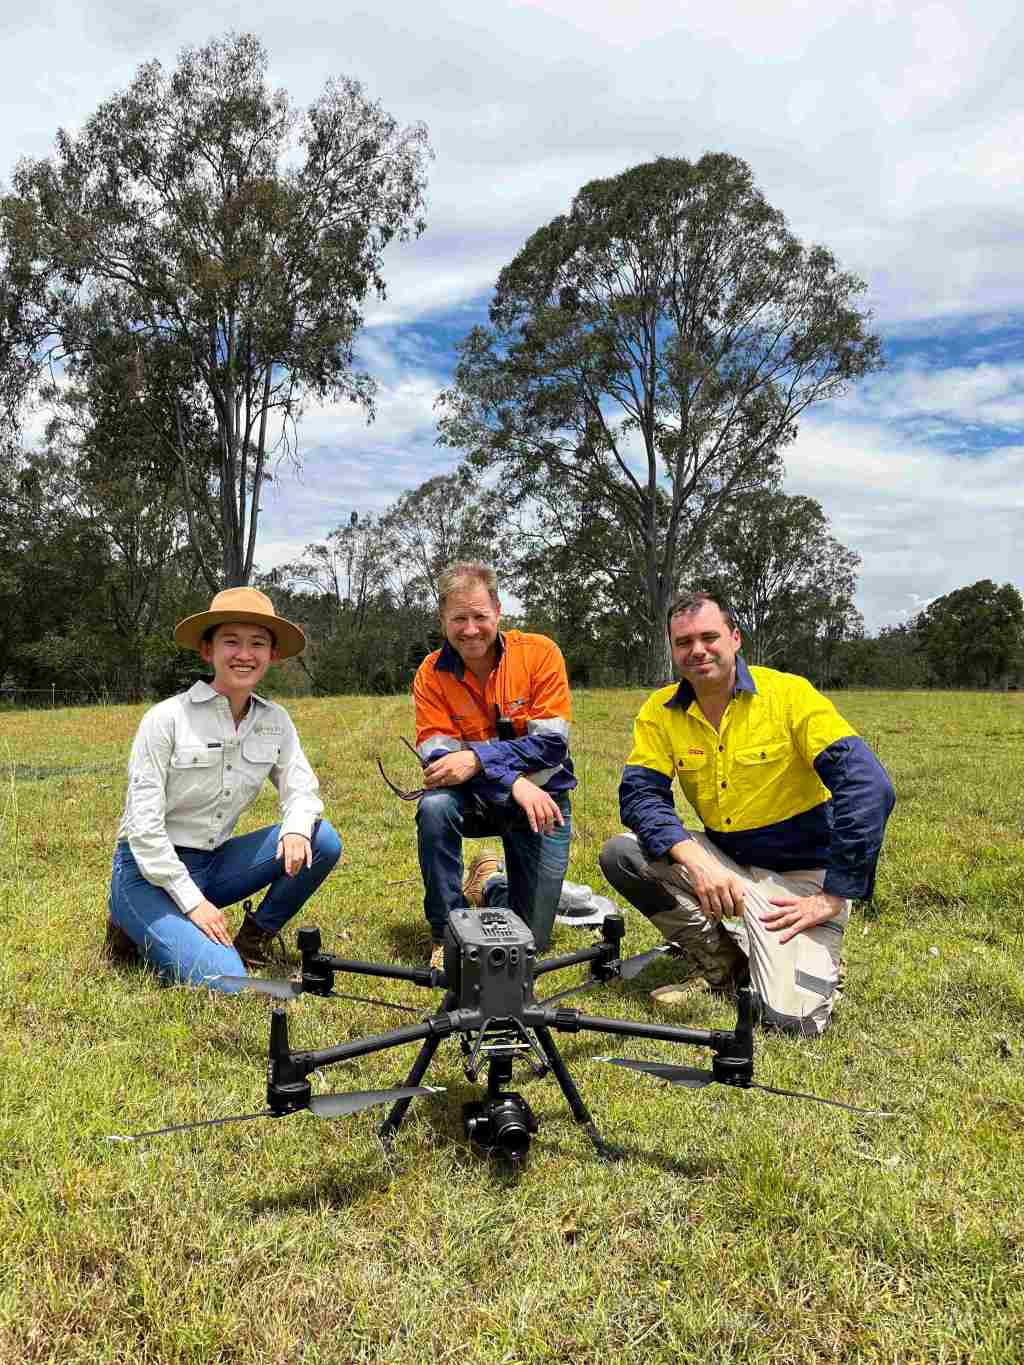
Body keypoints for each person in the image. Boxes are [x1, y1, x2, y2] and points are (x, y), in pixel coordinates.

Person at [599, 592, 895, 1036]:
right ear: (672, 649)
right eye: (684, 642)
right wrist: (699, 864)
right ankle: (724, 964)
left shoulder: (789, 695)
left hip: (798, 881)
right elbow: (640, 795)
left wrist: (833, 895)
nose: (697, 650)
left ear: (735, 638)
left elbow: (868, 786)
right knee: (623, 855)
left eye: (709, 637)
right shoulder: (660, 711)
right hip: (725, 862)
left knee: (792, 1022)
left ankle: (797, 956)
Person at [105, 587, 342, 992]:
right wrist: (195, 904)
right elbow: (142, 829)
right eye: (231, 641)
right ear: (207, 650)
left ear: (272, 654)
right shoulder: (166, 719)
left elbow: (301, 789)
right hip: (147, 872)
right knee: (227, 982)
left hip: (213, 864)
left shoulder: (275, 721)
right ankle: (130, 922)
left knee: (322, 839)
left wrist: (297, 827)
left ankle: (254, 938)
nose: (244, 654)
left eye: (258, 643)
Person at [412, 561, 575, 966]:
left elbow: (551, 746)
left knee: (530, 940)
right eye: (458, 618)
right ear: (443, 619)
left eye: (480, 616)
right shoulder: (430, 674)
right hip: (476, 800)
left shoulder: (540, 653)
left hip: (541, 801)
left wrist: (477, 759)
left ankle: (490, 884)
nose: (470, 629)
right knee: (435, 806)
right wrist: (514, 782)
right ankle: (446, 932)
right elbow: (441, 763)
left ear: (498, 612)